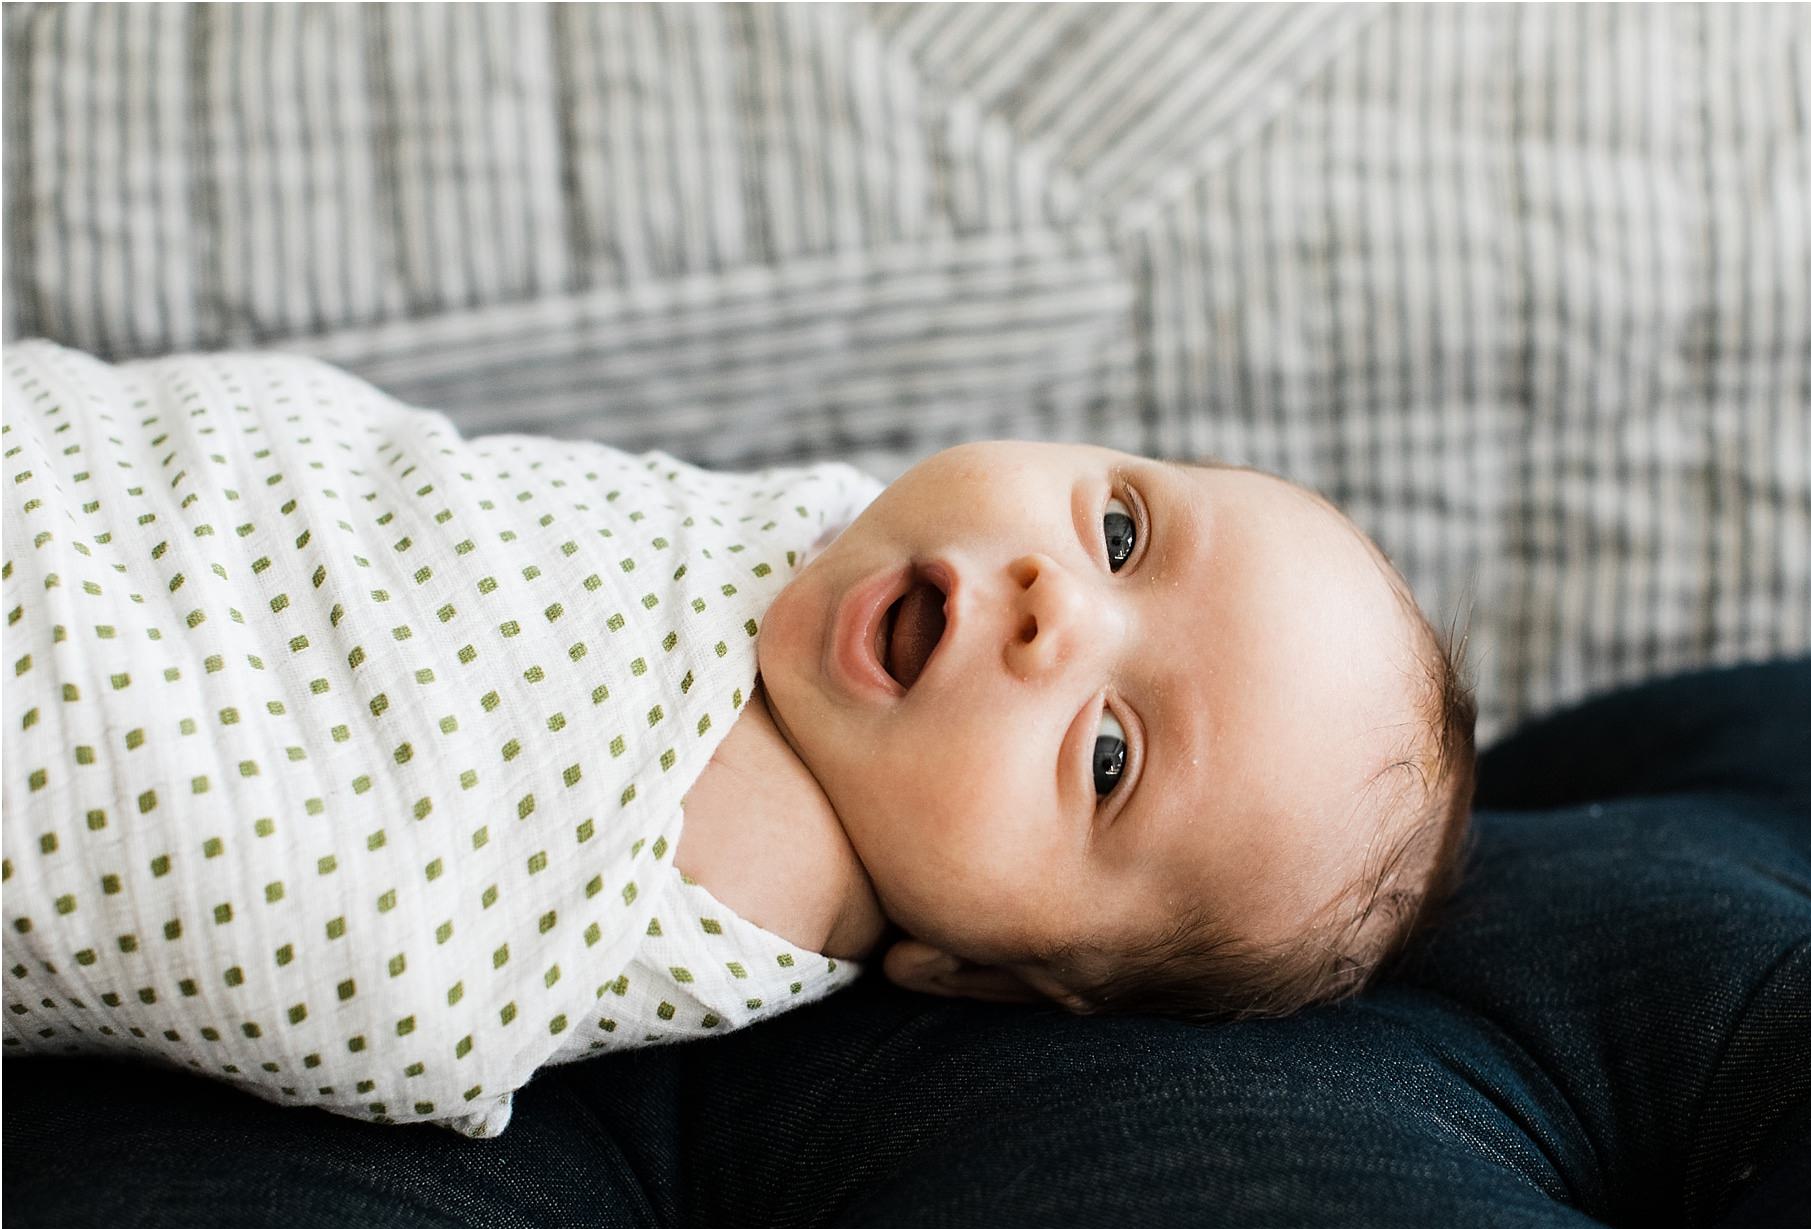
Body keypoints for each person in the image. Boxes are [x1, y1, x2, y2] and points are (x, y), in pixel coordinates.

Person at [2, 341, 1476, 1135]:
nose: (1052, 606)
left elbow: (368, 941)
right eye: (1121, 527)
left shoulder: (753, 848)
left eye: (1109, 759)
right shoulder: (824, 539)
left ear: (972, 969)